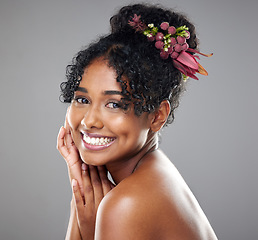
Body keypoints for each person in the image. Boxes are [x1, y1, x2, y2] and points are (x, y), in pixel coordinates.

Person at [57, 3, 218, 240]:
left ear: (157, 116)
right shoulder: (155, 173)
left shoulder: (127, 203)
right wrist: (79, 189)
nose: (89, 120)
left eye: (114, 104)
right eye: (82, 99)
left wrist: (90, 227)